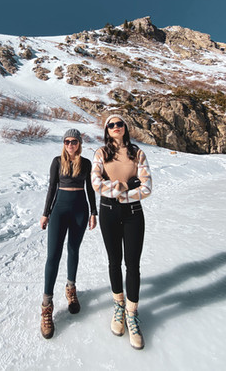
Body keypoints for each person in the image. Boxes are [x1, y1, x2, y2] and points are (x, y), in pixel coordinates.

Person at [91, 114, 152, 350]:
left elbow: (146, 186)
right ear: (107, 130)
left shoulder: (138, 153)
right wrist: (126, 186)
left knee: (133, 264)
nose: (116, 127)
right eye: (111, 125)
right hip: (108, 212)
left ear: (126, 127)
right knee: (114, 261)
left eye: (120, 123)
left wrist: (118, 190)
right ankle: (118, 305)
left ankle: (131, 313)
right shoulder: (101, 153)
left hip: (133, 213)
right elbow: (96, 183)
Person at [40, 129, 97, 339]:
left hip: (80, 211)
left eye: (73, 141)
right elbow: (52, 188)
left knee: (73, 250)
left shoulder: (86, 163)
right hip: (59, 212)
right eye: (66, 141)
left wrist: (93, 212)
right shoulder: (57, 161)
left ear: (79, 143)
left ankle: (71, 289)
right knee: (53, 256)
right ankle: (47, 305)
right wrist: (45, 214)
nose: (70, 144)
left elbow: (91, 190)